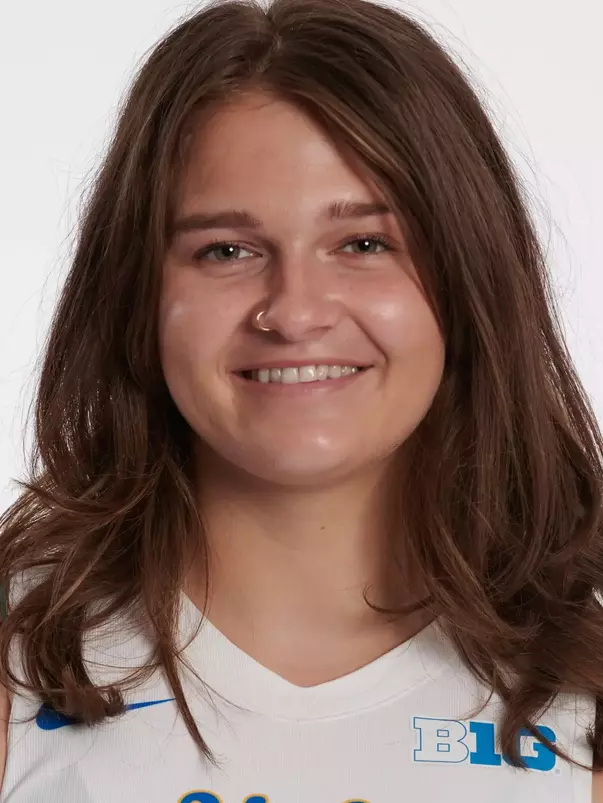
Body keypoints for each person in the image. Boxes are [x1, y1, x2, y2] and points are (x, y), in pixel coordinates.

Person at [0, 0, 602, 799]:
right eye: (225, 249)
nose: (293, 310)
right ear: (136, 295)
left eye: (363, 243)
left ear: (470, 280)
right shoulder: (18, 656)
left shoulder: (581, 681)